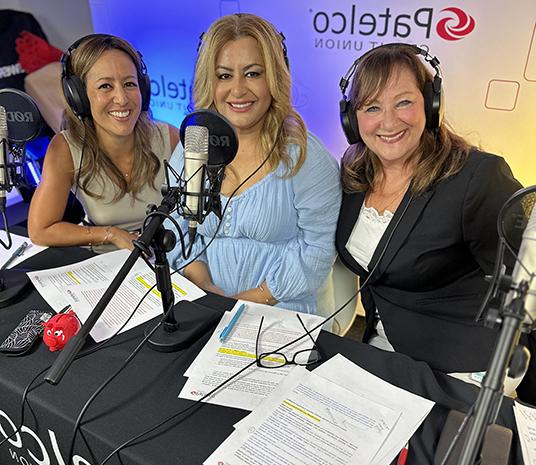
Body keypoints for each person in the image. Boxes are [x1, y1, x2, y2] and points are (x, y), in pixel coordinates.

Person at [335, 43, 522, 373]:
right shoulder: (354, 175)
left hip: (458, 365)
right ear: (352, 119)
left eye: (403, 102)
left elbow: (524, 283)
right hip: (379, 347)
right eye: (371, 107)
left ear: (431, 105)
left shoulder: (475, 178)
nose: (388, 122)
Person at [166, 13, 341, 314]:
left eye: (253, 73)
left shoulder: (306, 157)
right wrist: (208, 292)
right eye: (224, 75)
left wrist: (244, 302)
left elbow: (317, 251)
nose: (237, 90)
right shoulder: (193, 145)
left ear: (275, 77)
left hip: (280, 309)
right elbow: (178, 229)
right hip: (204, 301)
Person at [28, 34, 179, 251]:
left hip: (167, 259)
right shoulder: (65, 148)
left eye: (129, 83)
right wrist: (110, 234)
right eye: (105, 86)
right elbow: (40, 230)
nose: (122, 98)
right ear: (79, 95)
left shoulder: (170, 138)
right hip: (102, 267)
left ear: (143, 89)